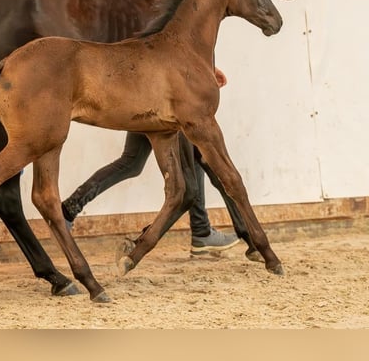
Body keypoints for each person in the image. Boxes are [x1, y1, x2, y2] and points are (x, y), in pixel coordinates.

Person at [61, 67, 251, 256]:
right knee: (192, 159)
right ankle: (201, 231)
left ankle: (71, 206)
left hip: (146, 97)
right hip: (170, 100)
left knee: (133, 163)